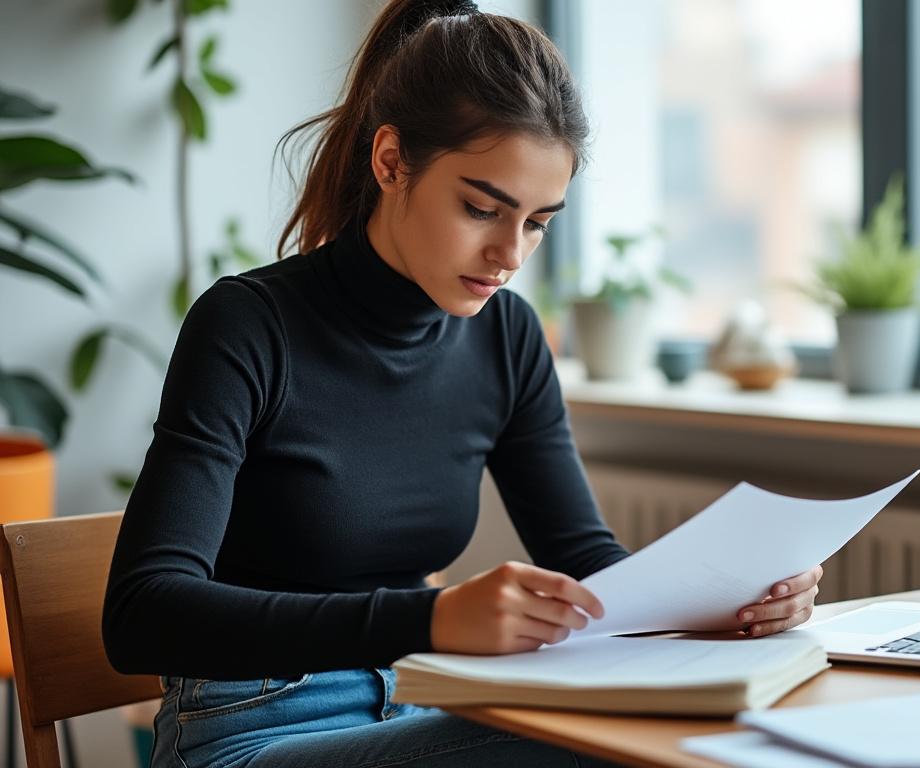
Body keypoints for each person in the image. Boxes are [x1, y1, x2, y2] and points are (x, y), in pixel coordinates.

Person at [101, 1, 823, 766]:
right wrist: (432, 619)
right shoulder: (248, 326)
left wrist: (718, 602)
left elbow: (582, 555)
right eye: (482, 208)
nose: (510, 254)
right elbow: (142, 615)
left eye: (538, 222)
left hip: (423, 703)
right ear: (390, 162)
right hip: (252, 727)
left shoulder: (507, 336)